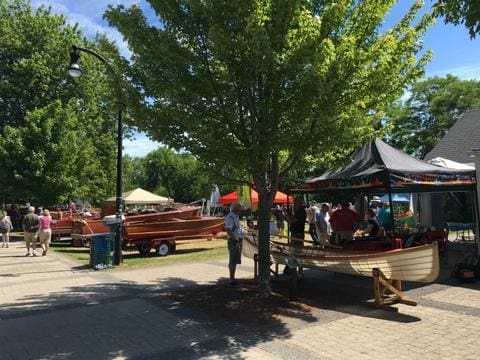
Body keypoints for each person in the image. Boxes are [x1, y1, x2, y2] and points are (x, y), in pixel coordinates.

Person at [224, 202, 244, 286]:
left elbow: (236, 228)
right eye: (239, 209)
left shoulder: (235, 216)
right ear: (235, 209)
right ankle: (231, 279)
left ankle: (232, 278)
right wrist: (234, 238)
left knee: (234, 260)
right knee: (232, 260)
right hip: (234, 241)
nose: (240, 211)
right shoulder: (230, 217)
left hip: (237, 240)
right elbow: (227, 229)